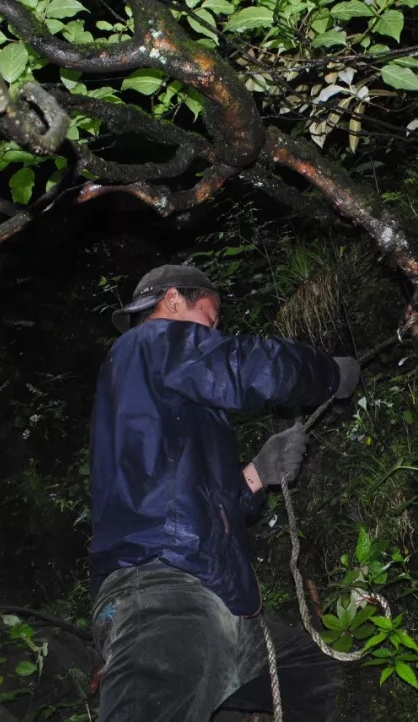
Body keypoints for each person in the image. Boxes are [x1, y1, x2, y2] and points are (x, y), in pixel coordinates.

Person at [88, 264, 360, 721]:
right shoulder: (151, 342)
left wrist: (258, 472)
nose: (215, 333)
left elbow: (198, 498)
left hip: (220, 605)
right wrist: (328, 374)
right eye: (211, 320)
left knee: (323, 681)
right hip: (162, 594)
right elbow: (245, 366)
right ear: (173, 301)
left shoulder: (166, 401)